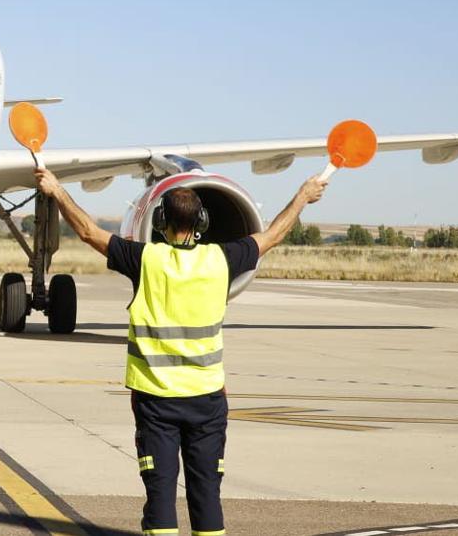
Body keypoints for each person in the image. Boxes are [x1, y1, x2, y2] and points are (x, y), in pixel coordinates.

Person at [34, 167, 327, 536]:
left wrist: (57, 190)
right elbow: (272, 236)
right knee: (206, 497)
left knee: (160, 497)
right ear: (202, 221)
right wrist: (303, 195)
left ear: (160, 221)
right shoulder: (221, 260)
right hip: (207, 401)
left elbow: (88, 232)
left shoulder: (146, 260)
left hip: (156, 402)